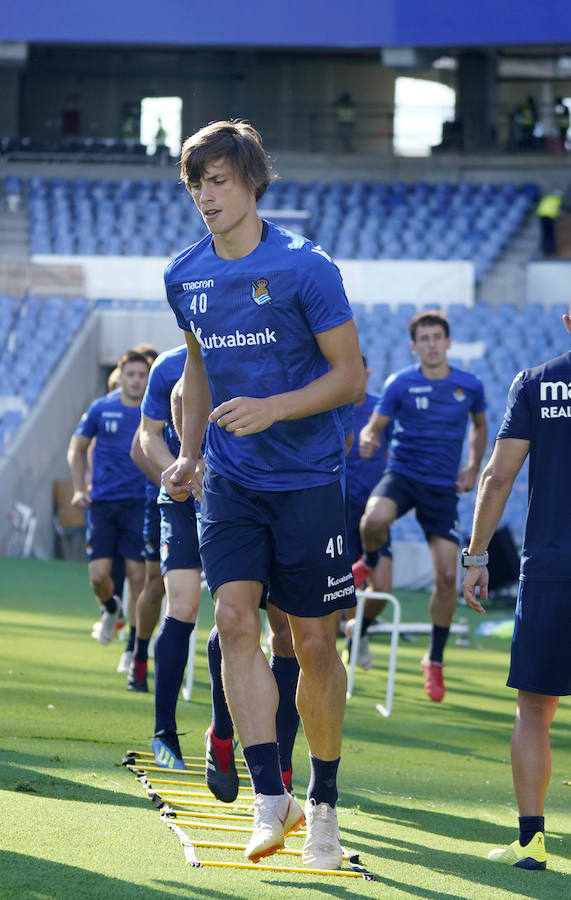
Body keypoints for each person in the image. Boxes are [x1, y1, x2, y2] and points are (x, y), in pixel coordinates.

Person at [161, 119, 365, 868]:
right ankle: (268, 794)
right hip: (232, 481)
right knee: (233, 620)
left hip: (309, 480)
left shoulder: (306, 267)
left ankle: (324, 802)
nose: (205, 196)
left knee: (311, 643)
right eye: (195, 184)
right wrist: (188, 455)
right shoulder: (184, 276)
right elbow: (198, 370)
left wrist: (274, 409)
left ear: (250, 182)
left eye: (217, 181)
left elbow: (351, 376)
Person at [462, 305, 571, 871]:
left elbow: (497, 475)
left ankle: (532, 842)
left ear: (568, 320)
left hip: (552, 569)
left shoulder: (536, 383)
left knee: (535, 709)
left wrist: (476, 556)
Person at [357, 311, 487, 702]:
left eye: (437, 337)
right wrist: (367, 439)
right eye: (424, 339)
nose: (432, 344)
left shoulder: (470, 386)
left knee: (448, 576)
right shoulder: (400, 383)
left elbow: (481, 427)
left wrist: (472, 468)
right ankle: (369, 559)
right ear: (414, 347)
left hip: (442, 488)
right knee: (373, 518)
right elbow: (373, 428)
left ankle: (434, 659)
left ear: (448, 343)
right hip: (403, 475)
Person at [137, 346, 203, 763]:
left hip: (239, 498)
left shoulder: (248, 350)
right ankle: (164, 732)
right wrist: (179, 470)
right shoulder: (167, 365)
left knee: (239, 613)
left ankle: (228, 731)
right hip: (179, 500)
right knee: (183, 605)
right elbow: (147, 434)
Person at [68, 350, 150, 646]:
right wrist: (79, 488)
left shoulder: (155, 411)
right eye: (131, 374)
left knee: (137, 575)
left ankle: (132, 647)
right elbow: (77, 448)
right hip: (103, 504)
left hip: (140, 503)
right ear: (121, 375)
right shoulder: (100, 409)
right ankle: (111, 609)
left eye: (142, 375)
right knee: (99, 577)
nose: (137, 380)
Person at [341, 355, 392, 670]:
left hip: (375, 511)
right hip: (339, 509)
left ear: (368, 373)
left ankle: (355, 634)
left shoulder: (383, 410)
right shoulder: (331, 407)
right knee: (343, 584)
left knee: (383, 587)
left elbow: (401, 449)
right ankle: (350, 637)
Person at [536, 191, 563, 257]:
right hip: (549, 217)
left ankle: (545, 250)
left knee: (545, 234)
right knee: (550, 234)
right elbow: (561, 210)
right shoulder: (558, 200)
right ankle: (551, 250)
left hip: (542, 216)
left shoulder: (547, 198)